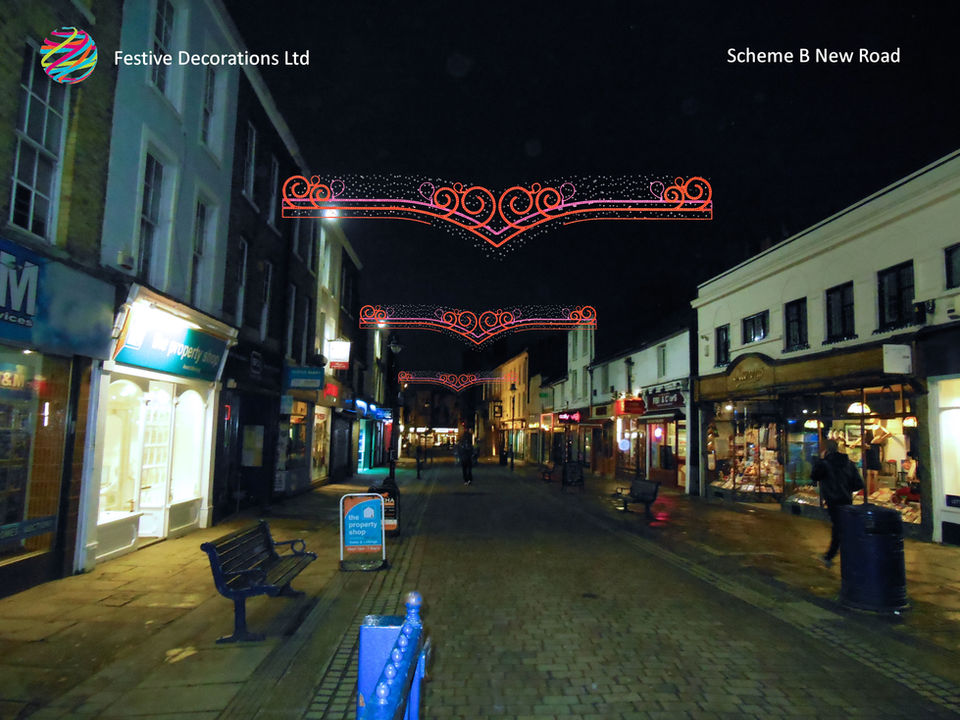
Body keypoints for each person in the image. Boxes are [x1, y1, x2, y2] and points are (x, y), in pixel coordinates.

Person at [811, 438, 864, 568]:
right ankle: (835, 555)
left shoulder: (825, 464)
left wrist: (819, 461)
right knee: (841, 527)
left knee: (839, 528)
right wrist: (846, 488)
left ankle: (832, 556)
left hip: (832, 500)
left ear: (826, 450)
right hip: (846, 499)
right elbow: (858, 484)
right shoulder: (848, 463)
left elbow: (814, 476)